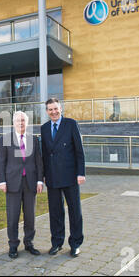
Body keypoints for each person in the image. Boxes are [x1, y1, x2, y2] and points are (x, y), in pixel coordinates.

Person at [41, 98, 85, 258]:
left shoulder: (71, 124)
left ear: (61, 108)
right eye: (50, 109)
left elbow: (79, 151)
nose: (53, 112)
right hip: (52, 177)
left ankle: (75, 243)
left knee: (75, 211)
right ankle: (57, 243)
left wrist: (81, 173)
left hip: (70, 176)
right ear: (47, 111)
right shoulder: (44, 128)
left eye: (55, 108)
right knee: (55, 212)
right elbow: (44, 154)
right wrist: (43, 175)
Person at [0, 111, 44, 259]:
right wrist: (1, 181)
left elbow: (39, 161)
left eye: (23, 120)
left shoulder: (34, 140)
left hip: (30, 183)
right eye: (18, 121)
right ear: (13, 122)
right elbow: (0, 162)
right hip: (12, 183)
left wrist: (39, 180)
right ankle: (13, 246)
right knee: (13, 216)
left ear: (27, 123)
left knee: (30, 216)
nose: (21, 123)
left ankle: (29, 243)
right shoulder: (5, 138)